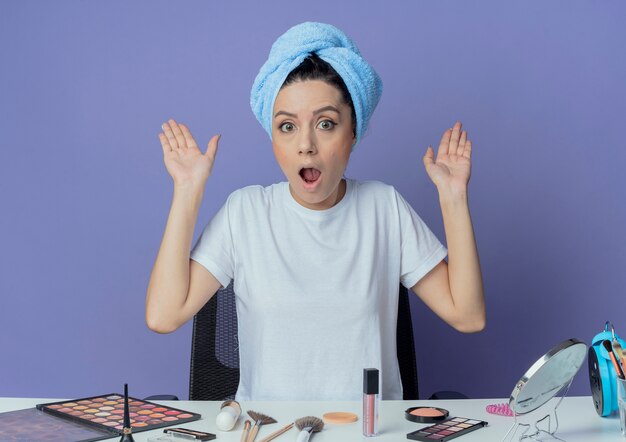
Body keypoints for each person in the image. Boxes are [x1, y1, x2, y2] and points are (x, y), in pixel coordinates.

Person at [145, 22, 485, 401]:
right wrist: (187, 191)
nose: (305, 145)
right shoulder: (245, 213)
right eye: (287, 126)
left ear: (353, 131)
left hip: (369, 432)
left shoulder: (384, 208)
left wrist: (453, 197)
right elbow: (164, 315)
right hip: (267, 431)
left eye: (326, 124)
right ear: (272, 137)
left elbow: (468, 315)